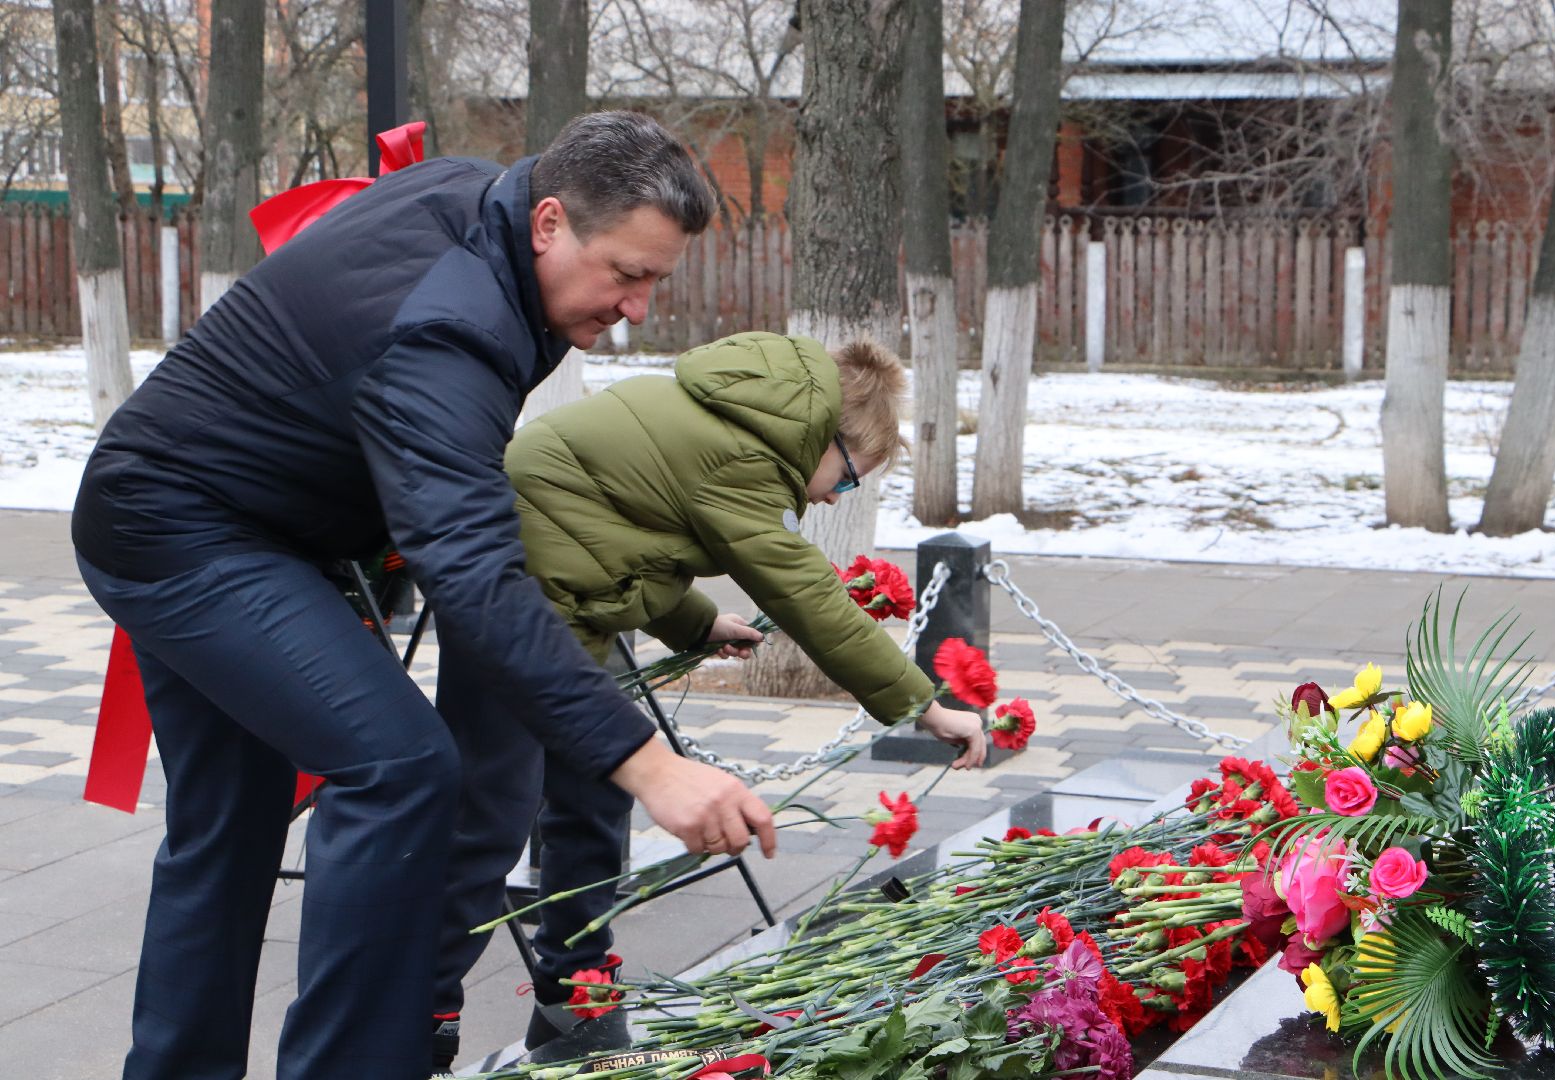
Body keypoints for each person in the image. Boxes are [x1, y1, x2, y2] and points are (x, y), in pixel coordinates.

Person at [72, 111, 778, 1080]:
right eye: (626, 273)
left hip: (203, 509)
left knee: (229, 829)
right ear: (550, 223)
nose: (638, 308)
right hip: (185, 531)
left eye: (654, 278)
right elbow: (473, 574)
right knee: (398, 767)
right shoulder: (450, 326)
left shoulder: (484, 200)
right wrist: (650, 767)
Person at [430, 330, 988, 1059]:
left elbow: (622, 531)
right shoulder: (746, 458)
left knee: (594, 796)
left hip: (547, 593)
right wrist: (924, 706)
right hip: (511, 604)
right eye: (849, 479)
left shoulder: (721, 417)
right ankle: (415, 1016)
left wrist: (696, 622)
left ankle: (576, 992)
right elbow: (808, 597)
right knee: (490, 819)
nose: (832, 498)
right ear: (827, 437)